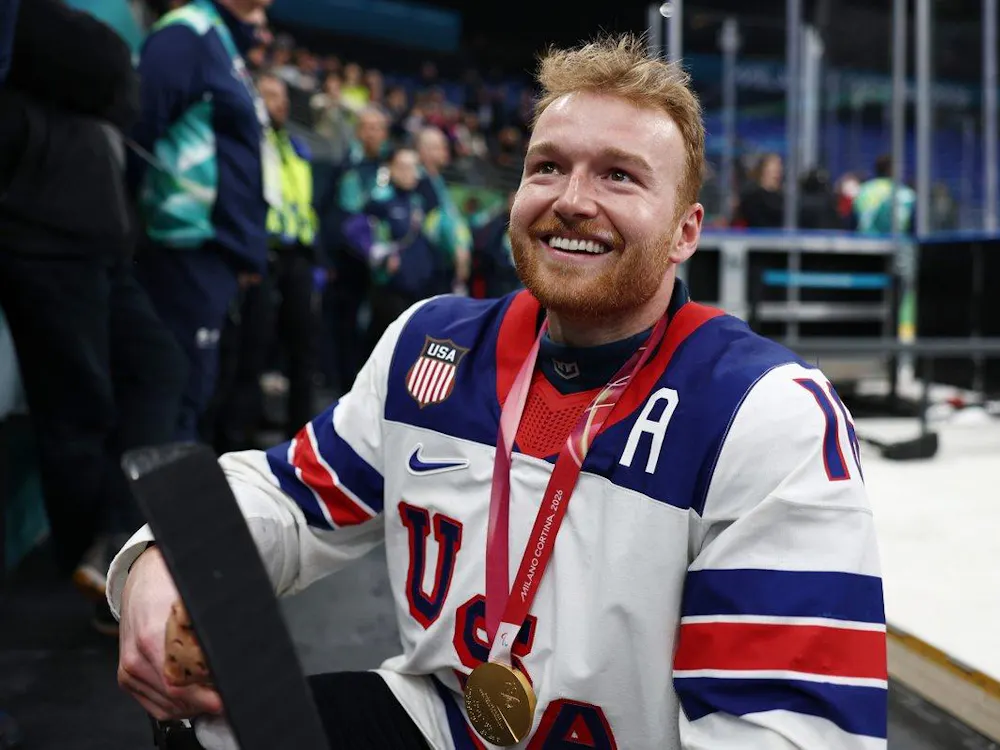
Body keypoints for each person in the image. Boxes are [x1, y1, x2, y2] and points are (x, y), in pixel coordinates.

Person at [109, 35, 888, 749]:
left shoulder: (764, 412)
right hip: (442, 719)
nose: (572, 199)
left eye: (619, 175)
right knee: (212, 735)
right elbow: (290, 496)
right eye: (548, 166)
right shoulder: (431, 345)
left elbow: (794, 734)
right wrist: (162, 560)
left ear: (686, 231)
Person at [0, 0, 186, 635]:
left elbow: (114, 80)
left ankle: (109, 537)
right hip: (43, 238)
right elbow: (109, 70)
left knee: (159, 368)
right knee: (76, 411)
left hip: (98, 240)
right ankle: (96, 570)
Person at [128, 0, 276, 441]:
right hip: (181, 252)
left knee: (194, 398)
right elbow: (137, 130)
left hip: (213, 259)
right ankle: (151, 512)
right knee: (173, 402)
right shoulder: (187, 34)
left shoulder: (221, 42)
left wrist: (244, 249)